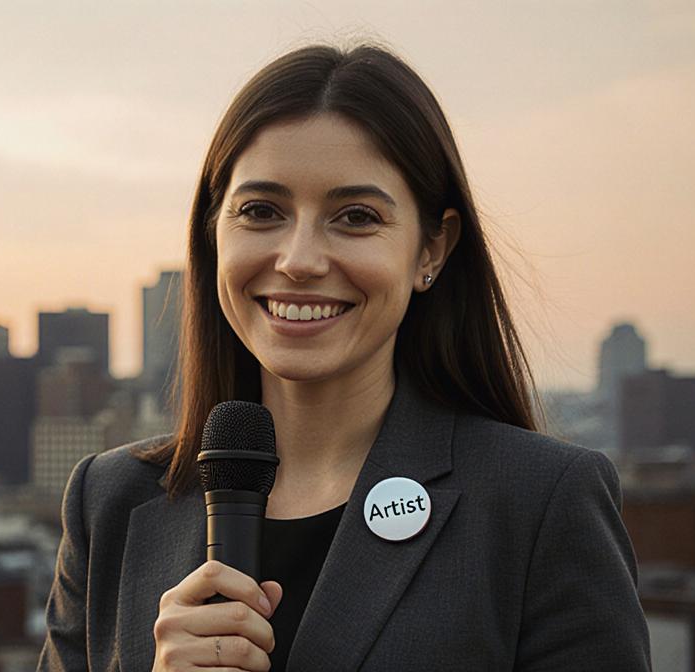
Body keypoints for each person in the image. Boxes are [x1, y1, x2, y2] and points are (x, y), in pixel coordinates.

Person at [39, 42, 651, 672]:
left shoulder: (539, 502)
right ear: (212, 230)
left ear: (431, 251)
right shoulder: (109, 502)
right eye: (260, 211)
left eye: (356, 217)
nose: (299, 259)